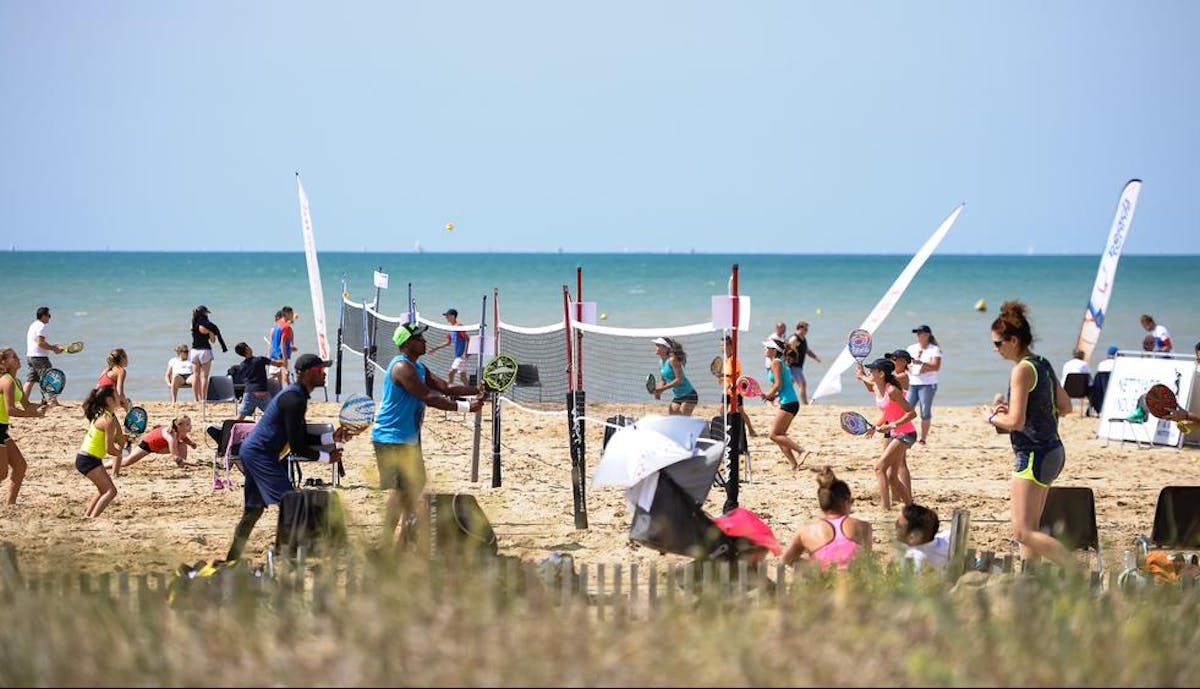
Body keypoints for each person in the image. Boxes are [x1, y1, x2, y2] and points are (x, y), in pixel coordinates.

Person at [372, 322, 486, 550]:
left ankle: (401, 543)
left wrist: (479, 389)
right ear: (407, 343)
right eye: (420, 339)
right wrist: (467, 408)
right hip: (390, 437)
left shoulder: (418, 367)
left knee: (412, 489)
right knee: (404, 491)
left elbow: (445, 387)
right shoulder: (402, 368)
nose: (425, 342)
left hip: (407, 437)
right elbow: (429, 397)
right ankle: (388, 543)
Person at [224, 354, 347, 562]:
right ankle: (294, 555)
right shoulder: (294, 398)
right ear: (307, 373)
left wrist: (329, 437)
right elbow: (297, 445)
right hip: (260, 454)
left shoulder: (296, 396)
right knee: (292, 502)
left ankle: (232, 559)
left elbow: (299, 435)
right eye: (319, 370)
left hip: (254, 451)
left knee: (253, 511)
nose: (324, 373)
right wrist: (327, 457)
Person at [984, 300, 1074, 569]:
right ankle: (1030, 579)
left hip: (1033, 455)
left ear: (1013, 340)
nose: (995, 349)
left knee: (1023, 532)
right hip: (1053, 451)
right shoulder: (1042, 363)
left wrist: (990, 417)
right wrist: (1015, 411)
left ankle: (1076, 573)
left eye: (998, 343)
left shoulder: (1021, 369)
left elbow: (1015, 421)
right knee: (1031, 532)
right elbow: (1066, 407)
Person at [855, 358, 917, 510]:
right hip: (896, 433)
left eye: (873, 371)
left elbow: (912, 413)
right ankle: (911, 507)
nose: (871, 373)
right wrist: (862, 375)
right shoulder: (877, 387)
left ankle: (885, 508)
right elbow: (871, 387)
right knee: (890, 476)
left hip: (906, 433)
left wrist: (892, 425)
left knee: (879, 468)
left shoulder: (893, 391)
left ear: (881, 373)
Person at [782, 466, 872, 570]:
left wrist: (814, 566)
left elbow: (787, 559)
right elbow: (866, 563)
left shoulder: (806, 532)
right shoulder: (863, 527)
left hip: (824, 582)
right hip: (854, 583)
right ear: (846, 502)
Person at [0, 348, 45, 505]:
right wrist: (35, 415)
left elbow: (26, 405)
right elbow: (10, 410)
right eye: (14, 357)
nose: (19, 358)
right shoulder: (6, 380)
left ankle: (10, 505)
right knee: (2, 473)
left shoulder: (16, 382)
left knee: (20, 466)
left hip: (2, 429)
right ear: (4, 362)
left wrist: (43, 406)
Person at [761, 338, 810, 470]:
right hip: (791, 401)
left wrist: (769, 394)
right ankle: (794, 465)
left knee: (773, 435)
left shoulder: (776, 363)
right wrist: (774, 396)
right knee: (780, 436)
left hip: (789, 402)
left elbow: (778, 384)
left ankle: (801, 451)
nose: (765, 349)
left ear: (774, 350)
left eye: (767, 347)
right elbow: (783, 386)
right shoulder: (780, 362)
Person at [76, 386, 123, 518]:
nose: (120, 396)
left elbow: (119, 438)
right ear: (109, 400)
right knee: (111, 491)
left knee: (103, 490)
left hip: (89, 458)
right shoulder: (107, 420)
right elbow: (110, 449)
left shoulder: (108, 416)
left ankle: (87, 517)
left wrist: (124, 442)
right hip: (88, 459)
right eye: (116, 395)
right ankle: (92, 519)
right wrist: (121, 454)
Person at [108, 415, 199, 473]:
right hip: (148, 444)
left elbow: (184, 438)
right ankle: (103, 466)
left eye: (189, 424)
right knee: (126, 462)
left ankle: (183, 466)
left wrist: (191, 443)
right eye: (187, 424)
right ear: (179, 426)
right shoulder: (171, 436)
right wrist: (192, 463)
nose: (190, 426)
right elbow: (175, 456)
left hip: (159, 445)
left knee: (182, 444)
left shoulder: (180, 432)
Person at [905, 325, 942, 445]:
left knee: (925, 411)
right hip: (913, 382)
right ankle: (905, 433)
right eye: (917, 333)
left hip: (927, 384)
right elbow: (905, 364)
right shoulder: (911, 348)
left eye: (920, 333)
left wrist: (922, 364)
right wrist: (910, 368)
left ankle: (923, 439)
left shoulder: (934, 349)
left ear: (927, 335)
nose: (918, 336)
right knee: (906, 409)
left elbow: (936, 367)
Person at [23, 306, 64, 405]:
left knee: (31, 380)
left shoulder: (33, 325)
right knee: (50, 377)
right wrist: (53, 348)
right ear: (43, 316)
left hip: (30, 356)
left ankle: (23, 400)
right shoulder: (41, 326)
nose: (49, 318)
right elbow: (40, 343)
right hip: (39, 357)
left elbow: (38, 342)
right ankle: (53, 401)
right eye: (48, 315)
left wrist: (53, 347)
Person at [232, 342, 282, 421]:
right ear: (247, 349)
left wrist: (266, 356)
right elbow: (278, 364)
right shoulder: (260, 359)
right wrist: (283, 357)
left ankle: (230, 429)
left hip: (249, 393)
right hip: (263, 393)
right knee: (274, 414)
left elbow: (255, 366)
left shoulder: (242, 365)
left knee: (241, 416)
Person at [651, 337, 698, 416]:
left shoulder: (673, 360)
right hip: (678, 396)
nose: (656, 347)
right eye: (656, 345)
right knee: (673, 416)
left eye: (658, 345)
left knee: (683, 419)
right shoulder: (661, 362)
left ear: (665, 348)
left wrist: (661, 389)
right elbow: (663, 380)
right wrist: (659, 392)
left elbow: (679, 380)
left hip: (689, 394)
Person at [896, 503, 950, 572]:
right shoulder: (946, 541)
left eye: (899, 526)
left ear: (914, 536)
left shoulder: (913, 558)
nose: (896, 529)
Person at [190, 305, 227, 404]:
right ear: (204, 313)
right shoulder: (207, 327)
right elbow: (213, 340)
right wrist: (212, 332)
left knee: (195, 375)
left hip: (194, 351)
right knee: (204, 376)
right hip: (205, 351)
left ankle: (195, 399)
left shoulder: (193, 325)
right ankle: (203, 398)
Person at [429, 308, 471, 386]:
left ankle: (450, 392)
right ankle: (471, 392)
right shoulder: (450, 329)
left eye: (447, 316)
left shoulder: (459, 326)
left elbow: (467, 339)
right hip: (458, 355)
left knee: (450, 373)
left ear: (453, 316)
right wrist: (435, 348)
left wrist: (467, 352)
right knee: (463, 377)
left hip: (461, 355)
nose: (446, 318)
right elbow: (448, 342)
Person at [784, 321, 821, 405]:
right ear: (800, 328)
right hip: (793, 366)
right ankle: (805, 404)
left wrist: (815, 357)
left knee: (788, 385)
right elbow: (786, 351)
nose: (807, 331)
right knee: (802, 384)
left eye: (807, 329)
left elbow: (807, 350)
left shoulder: (803, 339)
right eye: (805, 329)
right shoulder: (794, 339)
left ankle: (777, 400)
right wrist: (787, 363)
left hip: (798, 366)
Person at [268, 307, 296, 387]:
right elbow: (282, 343)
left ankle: (277, 396)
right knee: (285, 378)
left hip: (274, 354)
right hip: (281, 355)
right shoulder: (286, 327)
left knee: (275, 379)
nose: (292, 316)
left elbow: (273, 343)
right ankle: (290, 396)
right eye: (291, 314)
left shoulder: (276, 326)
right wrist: (285, 359)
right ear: (286, 314)